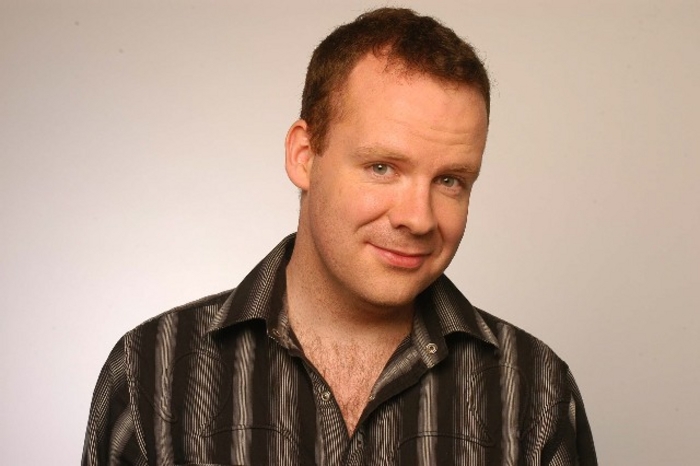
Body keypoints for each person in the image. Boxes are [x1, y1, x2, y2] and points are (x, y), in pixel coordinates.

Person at [82, 8, 597, 465]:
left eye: (449, 180)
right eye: (382, 167)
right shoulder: (151, 372)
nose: (418, 219)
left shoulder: (536, 391)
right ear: (304, 156)